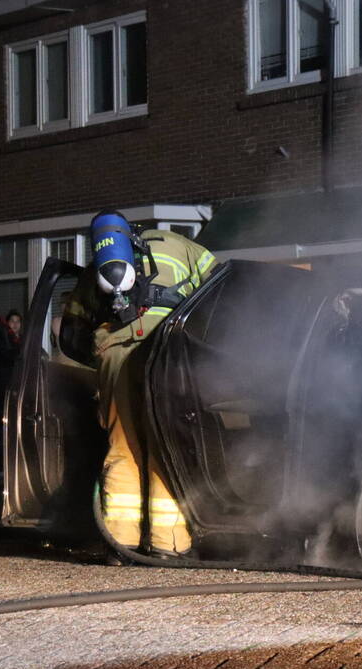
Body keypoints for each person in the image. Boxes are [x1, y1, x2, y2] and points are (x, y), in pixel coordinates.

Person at [59, 210, 218, 560]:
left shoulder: (97, 270)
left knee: (123, 448)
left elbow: (70, 333)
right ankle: (167, 544)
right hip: (168, 353)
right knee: (167, 447)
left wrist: (99, 361)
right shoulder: (182, 246)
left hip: (115, 355)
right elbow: (219, 293)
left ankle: (120, 543)